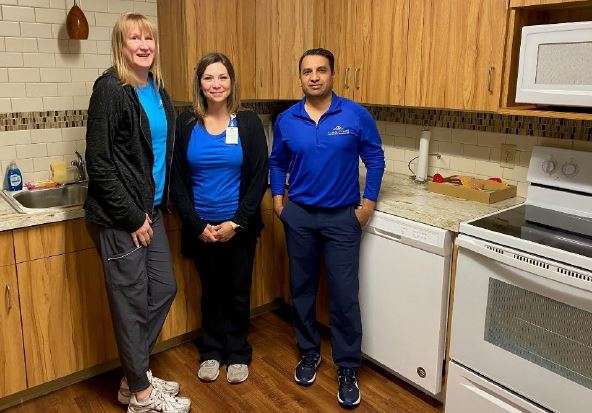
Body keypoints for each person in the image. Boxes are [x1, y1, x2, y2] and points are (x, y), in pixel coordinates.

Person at [84, 13, 191, 413]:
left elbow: (161, 153)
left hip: (152, 211)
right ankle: (141, 398)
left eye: (149, 37)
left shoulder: (158, 90)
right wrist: (132, 218)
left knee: (163, 288)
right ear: (121, 45)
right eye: (135, 38)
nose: (144, 45)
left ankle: (136, 377)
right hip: (121, 218)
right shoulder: (111, 88)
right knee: (130, 303)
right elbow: (100, 162)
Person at [269, 48, 385, 408]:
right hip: (300, 215)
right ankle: (309, 352)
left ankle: (348, 366)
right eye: (307, 71)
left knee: (344, 296)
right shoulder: (287, 119)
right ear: (300, 77)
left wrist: (368, 204)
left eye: (321, 70)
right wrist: (277, 198)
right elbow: (277, 162)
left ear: (333, 74)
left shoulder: (355, 115)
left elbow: (376, 157)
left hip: (341, 219)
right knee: (302, 290)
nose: (314, 76)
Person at [170, 52, 268, 385]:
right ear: (199, 83)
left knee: (239, 291)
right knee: (210, 291)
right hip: (202, 229)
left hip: (237, 227)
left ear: (232, 82)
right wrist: (197, 225)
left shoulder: (249, 123)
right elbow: (177, 180)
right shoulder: (186, 124)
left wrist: (237, 222)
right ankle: (211, 350)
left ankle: (238, 351)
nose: (216, 84)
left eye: (222, 77)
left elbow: (259, 177)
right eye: (209, 77)